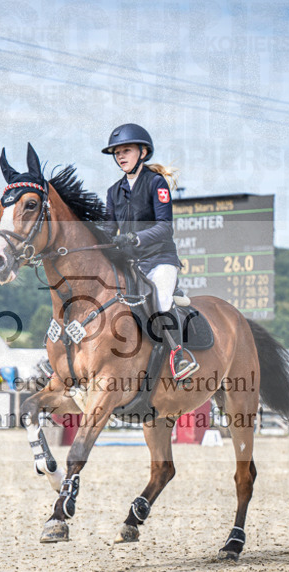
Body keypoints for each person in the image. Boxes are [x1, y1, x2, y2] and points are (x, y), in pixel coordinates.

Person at [101, 123, 198, 380]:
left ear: (143, 152)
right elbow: (110, 229)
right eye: (117, 152)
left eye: (126, 150)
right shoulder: (113, 191)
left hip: (160, 260)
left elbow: (165, 228)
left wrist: (135, 239)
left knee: (161, 302)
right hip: (132, 263)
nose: (120, 156)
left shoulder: (157, 183)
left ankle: (179, 355)